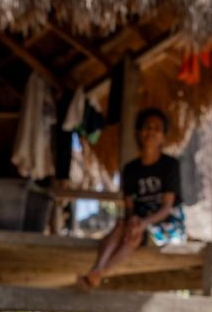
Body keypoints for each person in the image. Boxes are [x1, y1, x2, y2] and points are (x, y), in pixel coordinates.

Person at [79, 107, 185, 289]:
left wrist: (142, 223)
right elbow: (129, 206)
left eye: (156, 128)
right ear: (138, 132)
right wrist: (133, 220)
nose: (151, 131)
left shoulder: (170, 165)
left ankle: (99, 272)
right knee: (123, 226)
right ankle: (97, 270)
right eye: (147, 126)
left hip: (164, 221)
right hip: (138, 219)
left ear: (163, 136)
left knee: (133, 236)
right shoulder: (131, 169)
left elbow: (167, 207)